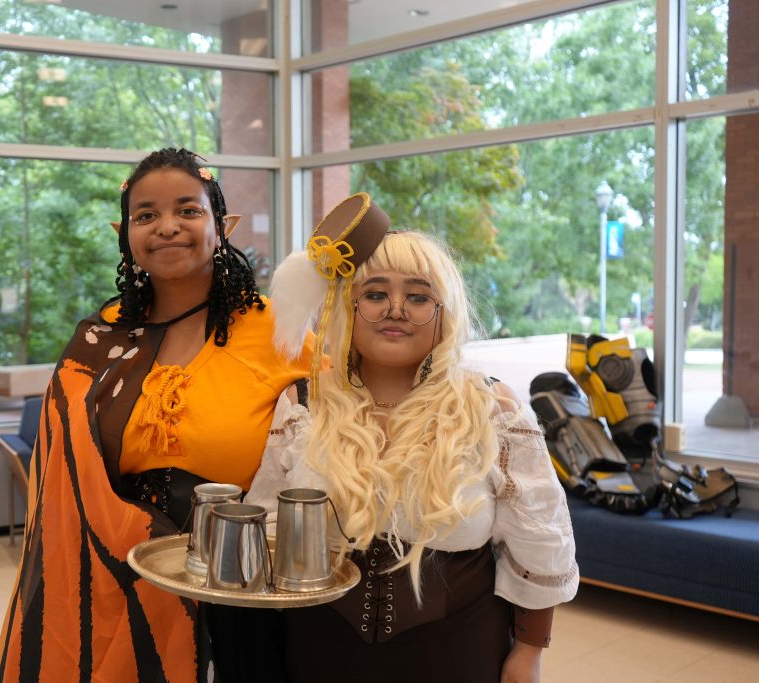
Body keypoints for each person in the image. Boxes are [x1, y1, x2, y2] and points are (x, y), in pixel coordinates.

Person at [0, 148, 315, 682]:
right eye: (146, 215)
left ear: (221, 224)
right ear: (126, 233)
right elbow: (61, 470)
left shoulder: (278, 328)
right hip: (110, 580)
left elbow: (360, 397)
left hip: (236, 584)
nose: (167, 227)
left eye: (188, 210)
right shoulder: (100, 337)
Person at [246, 194, 579, 682]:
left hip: (459, 656)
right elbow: (269, 525)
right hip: (317, 654)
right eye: (376, 294)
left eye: (419, 297)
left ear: (443, 313)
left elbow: (538, 540)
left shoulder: (494, 409)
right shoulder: (302, 406)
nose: (396, 309)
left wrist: (529, 652)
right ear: (348, 307)